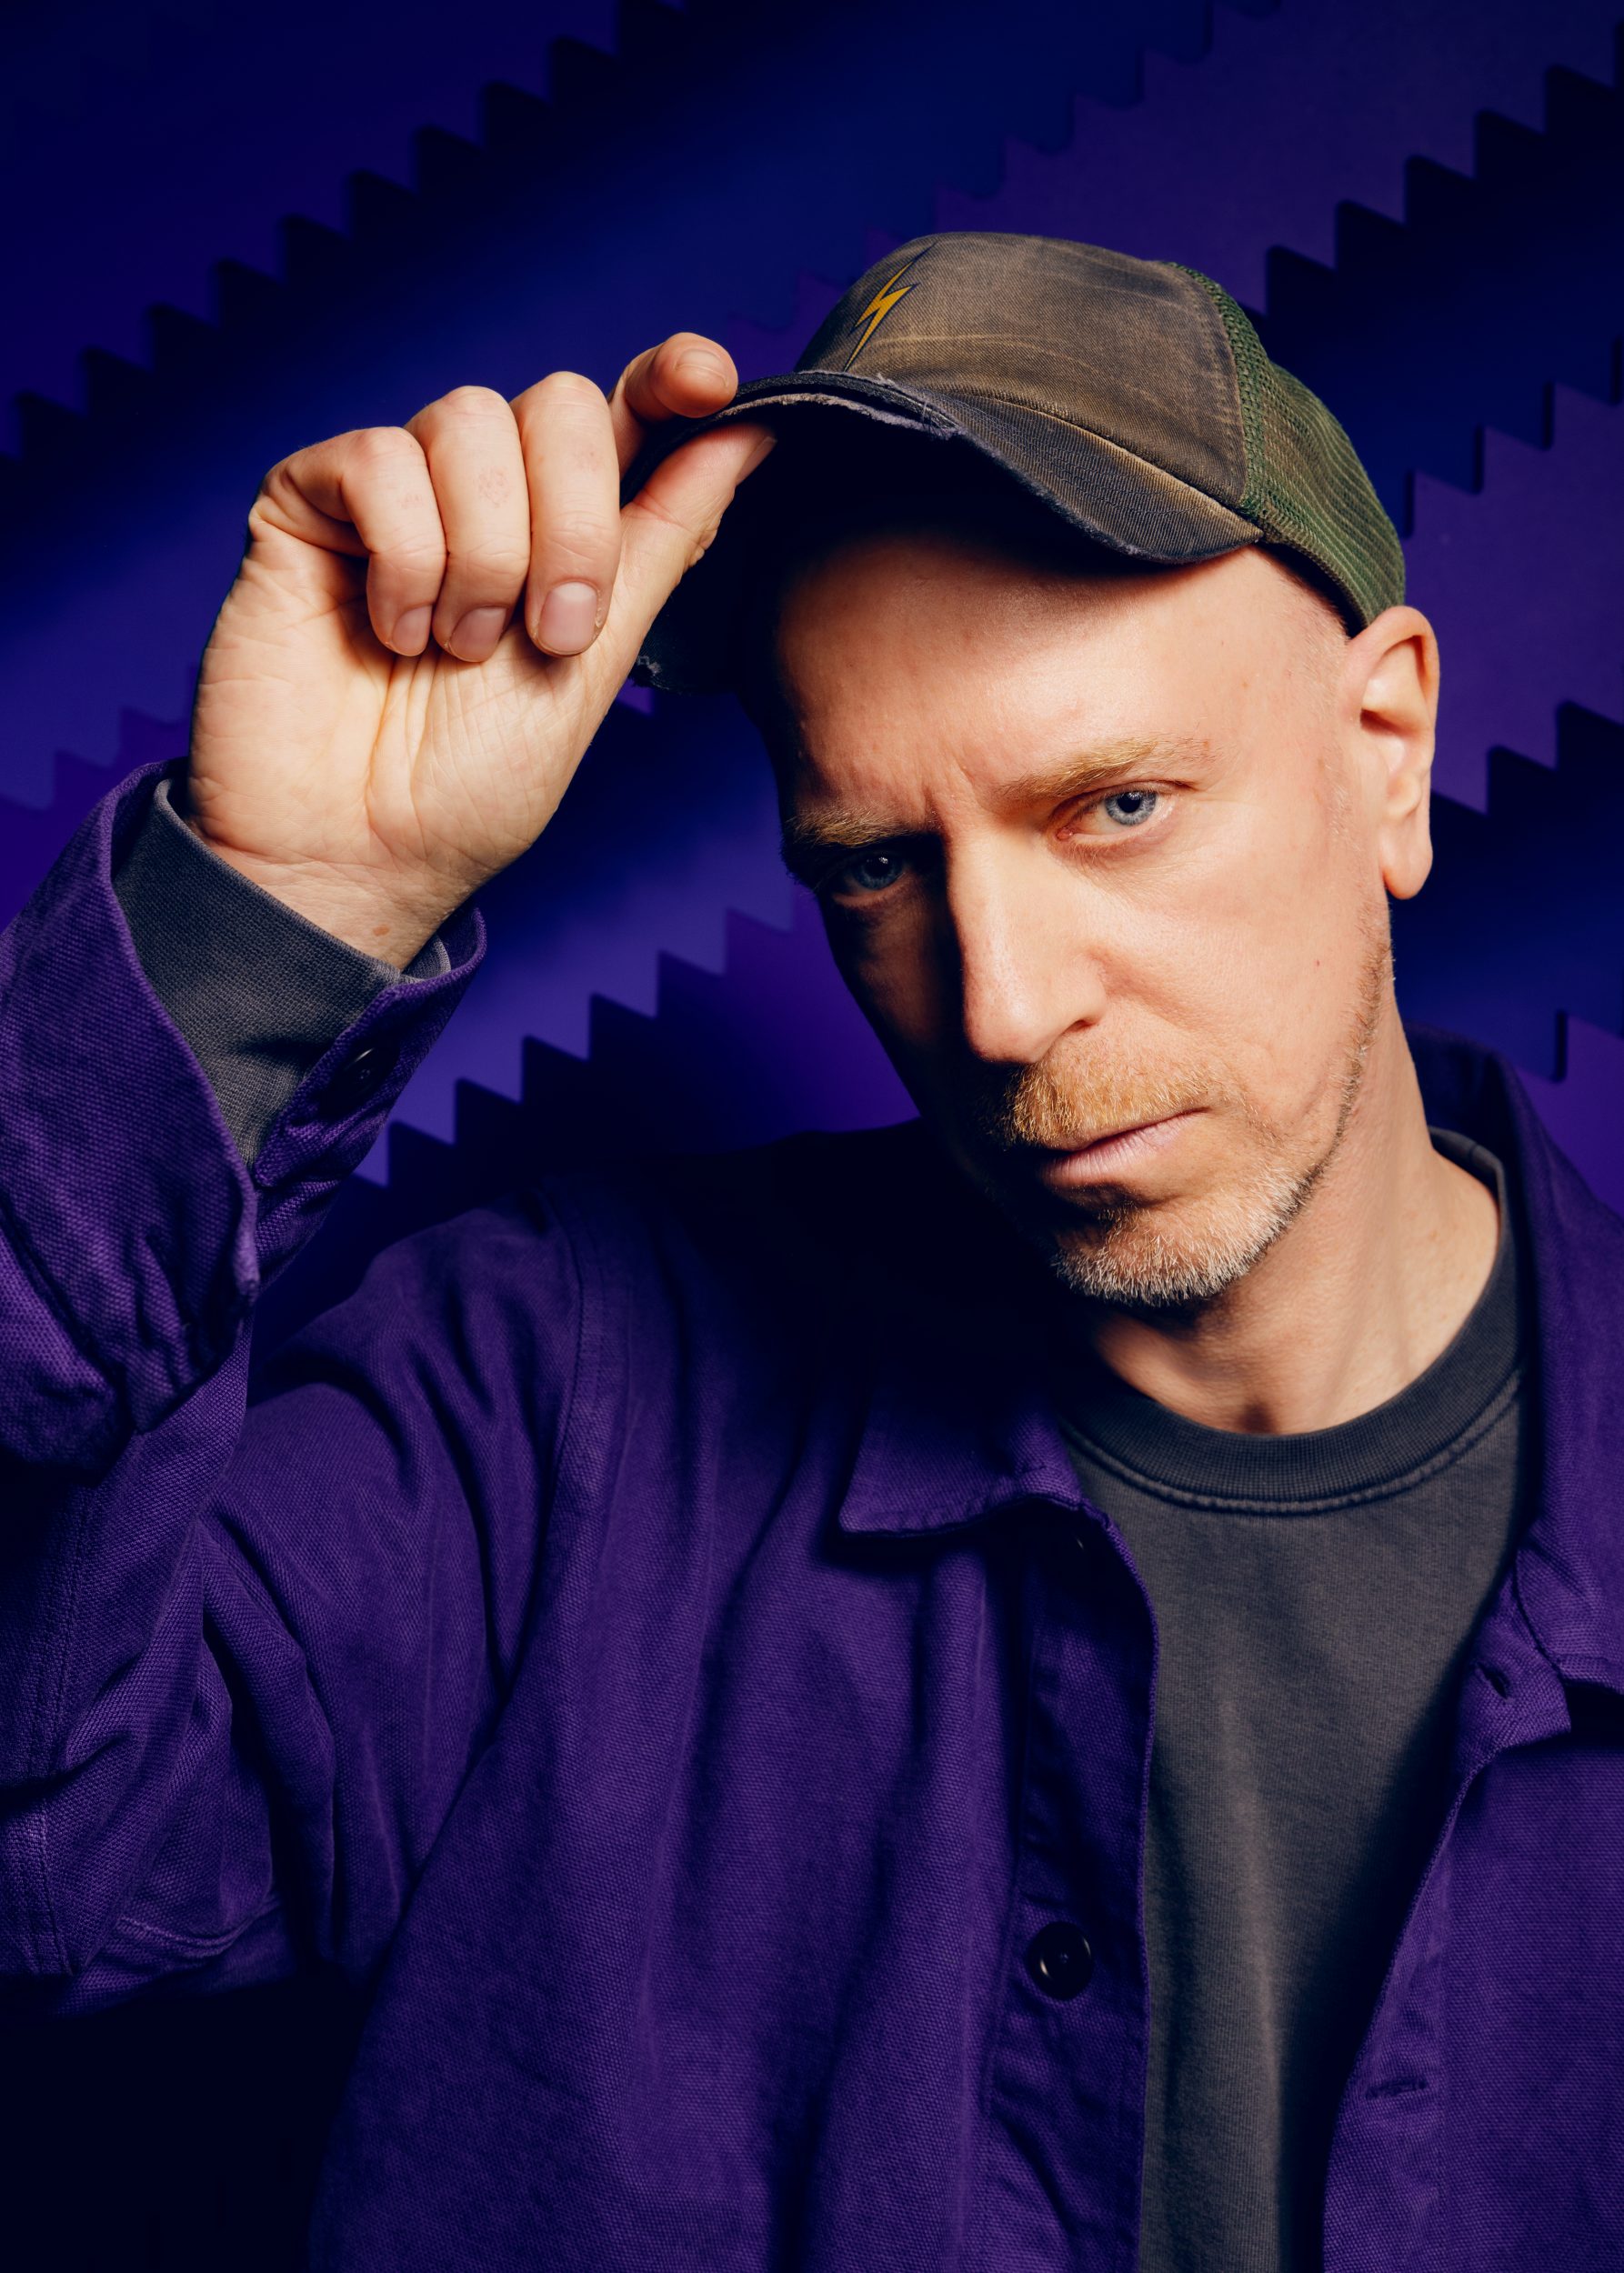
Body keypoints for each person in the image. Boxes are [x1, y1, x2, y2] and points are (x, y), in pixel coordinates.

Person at [2, 231, 1619, 2273]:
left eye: (1115, 805)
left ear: (1385, 748)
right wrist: (279, 905)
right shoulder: (553, 1389)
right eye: (870, 863)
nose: (1003, 1008)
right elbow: (51, 1866)